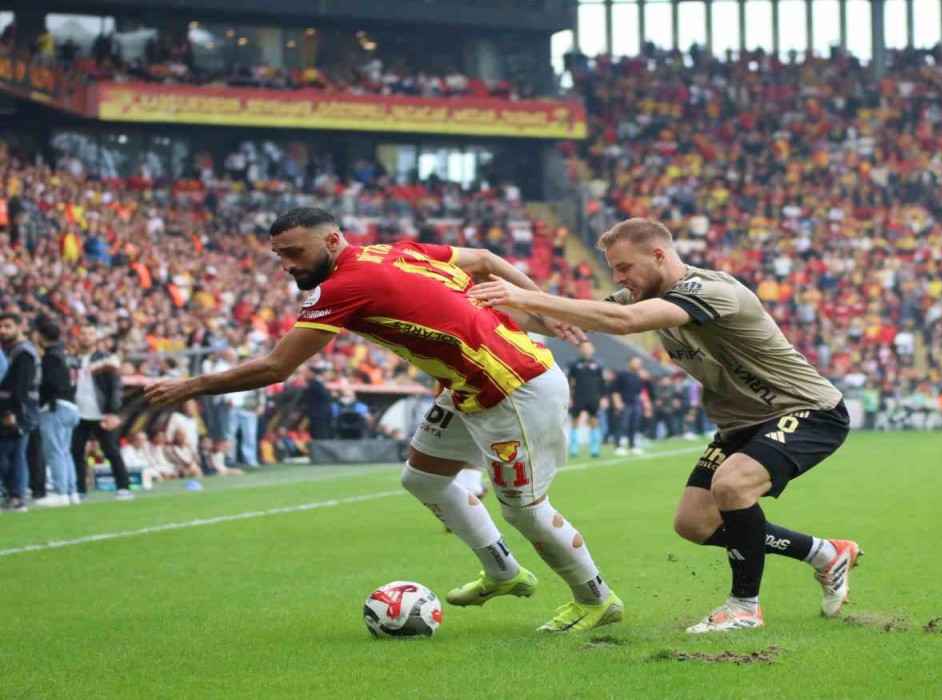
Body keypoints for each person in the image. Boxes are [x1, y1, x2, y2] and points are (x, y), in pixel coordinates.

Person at [144, 207, 623, 633]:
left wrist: (189, 386)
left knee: (523, 509)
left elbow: (276, 368)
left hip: (514, 388)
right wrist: (542, 304)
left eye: (295, 252)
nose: (288, 265)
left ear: (333, 242)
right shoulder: (393, 252)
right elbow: (484, 258)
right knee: (423, 479)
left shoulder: (342, 287)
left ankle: (596, 599)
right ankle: (503, 573)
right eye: (280, 256)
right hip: (471, 387)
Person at [469, 218, 859, 634]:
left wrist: (521, 292)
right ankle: (823, 553)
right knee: (694, 524)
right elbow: (562, 323)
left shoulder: (710, 290)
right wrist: (476, 302)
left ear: (659, 255)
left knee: (732, 486)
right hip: (741, 423)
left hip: (807, 409)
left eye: (623, 267)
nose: (618, 278)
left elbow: (624, 322)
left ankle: (744, 608)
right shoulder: (640, 295)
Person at [70, 327, 132, 500]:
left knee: (111, 450)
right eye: (82, 333)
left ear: (95, 337)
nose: (85, 336)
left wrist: (113, 411)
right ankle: (80, 489)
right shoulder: (72, 359)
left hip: (101, 412)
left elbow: (115, 387)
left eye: (89, 333)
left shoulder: (105, 359)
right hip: (78, 413)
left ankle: (123, 486)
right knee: (76, 451)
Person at [32, 317, 79, 507]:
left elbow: (49, 384)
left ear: (41, 335)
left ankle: (60, 492)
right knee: (65, 451)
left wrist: (41, 401)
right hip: (71, 405)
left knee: (55, 452)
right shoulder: (65, 353)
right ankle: (71, 491)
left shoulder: (50, 356)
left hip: (55, 406)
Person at [0, 313, 40, 512]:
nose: (3, 331)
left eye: (7, 326)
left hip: (19, 411)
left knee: (14, 454)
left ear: (19, 327)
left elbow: (21, 388)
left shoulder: (23, 352)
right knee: (11, 454)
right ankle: (14, 493)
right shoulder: (10, 350)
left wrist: (11, 412)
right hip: (9, 408)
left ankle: (17, 496)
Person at [566, 342, 607, 458]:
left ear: (593, 349)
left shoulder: (598, 364)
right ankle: (574, 449)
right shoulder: (574, 364)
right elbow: (569, 382)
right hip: (578, 397)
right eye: (584, 348)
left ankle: (594, 449)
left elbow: (603, 383)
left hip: (593, 397)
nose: (586, 350)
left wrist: (603, 398)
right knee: (575, 421)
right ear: (580, 349)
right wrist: (569, 397)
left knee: (594, 421)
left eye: (588, 348)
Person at [611, 356, 645, 456]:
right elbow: (615, 390)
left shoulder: (638, 376)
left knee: (634, 426)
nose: (637, 364)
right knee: (622, 426)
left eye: (639, 363)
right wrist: (617, 402)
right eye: (635, 362)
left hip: (635, 404)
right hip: (624, 404)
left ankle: (632, 446)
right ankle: (618, 446)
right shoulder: (621, 374)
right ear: (629, 362)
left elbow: (639, 392)